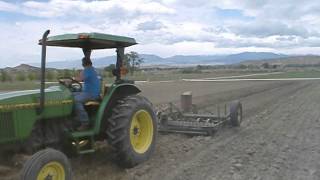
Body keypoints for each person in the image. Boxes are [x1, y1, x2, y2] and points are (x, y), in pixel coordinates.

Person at [73, 57, 101, 131]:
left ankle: (85, 123)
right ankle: (75, 116)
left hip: (91, 94)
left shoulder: (88, 70)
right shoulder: (91, 69)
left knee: (76, 100)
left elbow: (80, 79)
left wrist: (72, 79)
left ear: (83, 63)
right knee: (70, 95)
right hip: (87, 92)